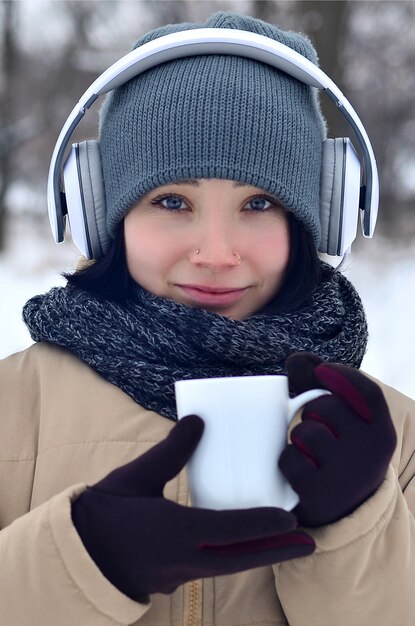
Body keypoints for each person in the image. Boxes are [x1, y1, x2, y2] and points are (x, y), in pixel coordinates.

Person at [0, 10, 414, 626]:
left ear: (319, 216)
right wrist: (80, 559)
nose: (217, 254)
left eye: (259, 202)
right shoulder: (13, 410)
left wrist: (356, 528)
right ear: (99, 211)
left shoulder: (389, 439)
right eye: (172, 200)